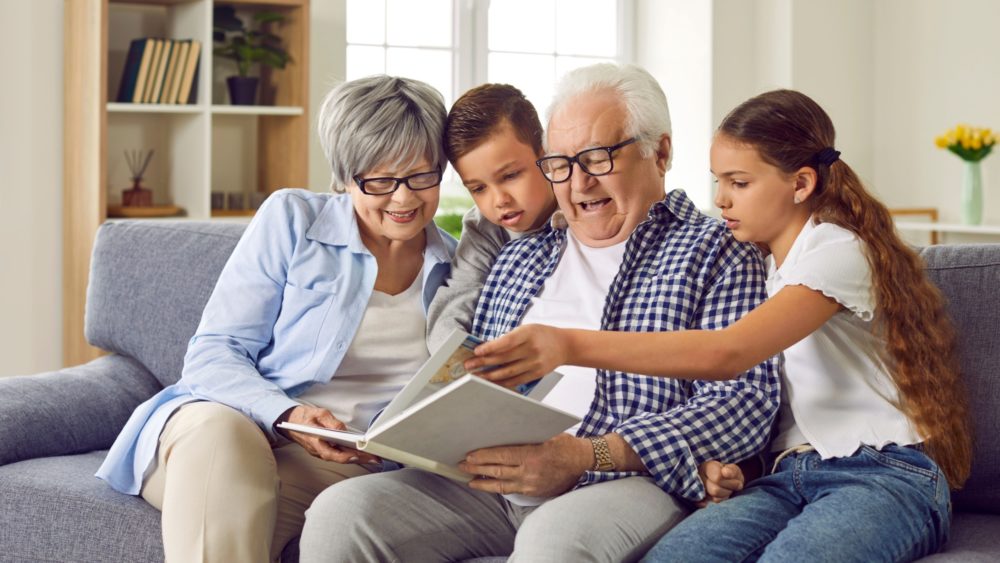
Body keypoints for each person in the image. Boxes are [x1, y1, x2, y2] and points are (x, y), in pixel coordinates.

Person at [298, 63, 781, 563]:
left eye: (597, 158)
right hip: (488, 479)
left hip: (619, 481)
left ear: (660, 152)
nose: (579, 183)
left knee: (552, 543)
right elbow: (469, 377)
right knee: (343, 513)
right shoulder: (520, 253)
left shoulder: (718, 250)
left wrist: (583, 456)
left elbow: (745, 401)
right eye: (562, 164)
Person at [472, 89, 973, 562]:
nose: (722, 200)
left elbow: (728, 354)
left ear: (801, 184)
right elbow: (776, 409)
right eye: (718, 181)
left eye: (739, 183)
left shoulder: (837, 251)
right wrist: (732, 471)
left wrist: (565, 344)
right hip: (784, 475)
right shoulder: (764, 264)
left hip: (882, 473)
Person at [96, 75, 457, 563]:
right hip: (228, 428)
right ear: (346, 177)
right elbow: (213, 353)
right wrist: (286, 416)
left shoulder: (457, 266)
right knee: (225, 440)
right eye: (380, 181)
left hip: (344, 467)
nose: (404, 199)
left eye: (421, 176)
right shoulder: (293, 220)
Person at [426, 83, 558, 352]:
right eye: (478, 188)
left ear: (546, 157)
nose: (499, 201)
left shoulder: (583, 209)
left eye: (510, 176)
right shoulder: (483, 228)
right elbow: (456, 301)